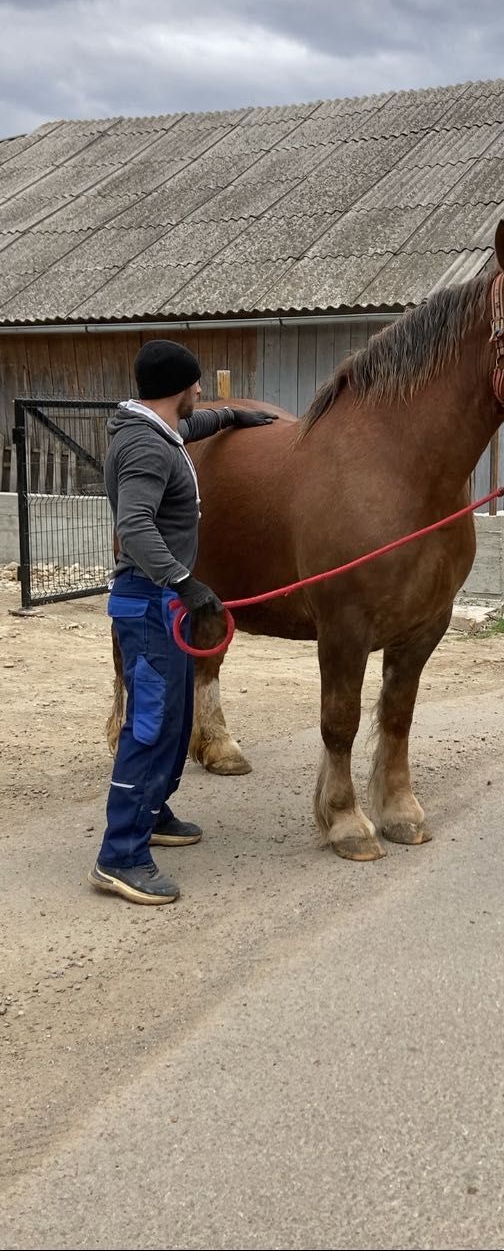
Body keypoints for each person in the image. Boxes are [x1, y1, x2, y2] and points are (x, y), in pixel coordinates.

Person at [88, 339, 277, 906]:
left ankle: (152, 812)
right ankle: (119, 856)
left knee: (173, 718)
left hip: (159, 602)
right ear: (178, 388)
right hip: (149, 602)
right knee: (149, 725)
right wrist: (185, 583)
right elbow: (137, 526)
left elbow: (190, 428)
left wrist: (232, 417)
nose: (202, 392)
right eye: (197, 386)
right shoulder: (147, 448)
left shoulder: (158, 430)